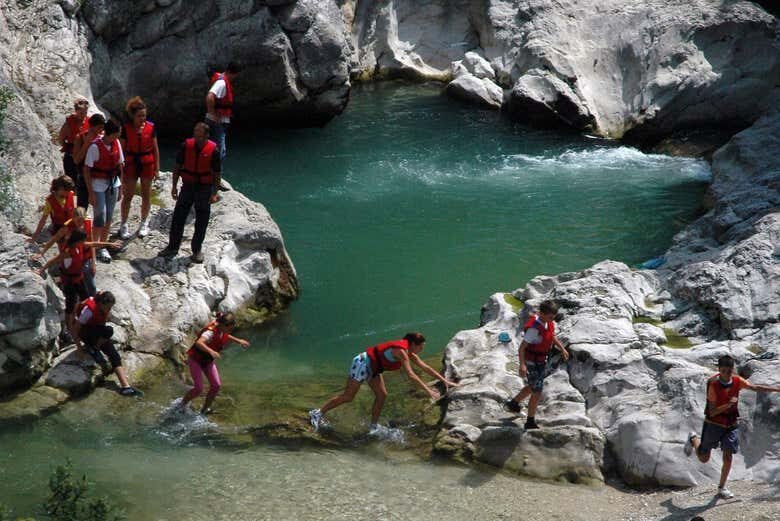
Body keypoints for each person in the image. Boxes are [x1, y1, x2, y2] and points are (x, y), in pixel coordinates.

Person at [308, 332, 459, 432]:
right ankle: (317, 413)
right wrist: (429, 391)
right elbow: (411, 375)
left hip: (373, 369)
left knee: (382, 395)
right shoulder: (401, 352)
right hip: (362, 363)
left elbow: (425, 367)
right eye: (421, 347)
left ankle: (373, 427)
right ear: (413, 344)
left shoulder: (409, 353)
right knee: (348, 397)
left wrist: (445, 381)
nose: (421, 350)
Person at [684, 355, 780, 499]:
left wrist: (777, 389)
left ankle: (721, 488)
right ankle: (693, 438)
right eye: (723, 371)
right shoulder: (713, 385)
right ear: (719, 370)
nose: (727, 374)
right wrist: (728, 404)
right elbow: (712, 412)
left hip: (730, 424)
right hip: (713, 424)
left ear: (732, 369)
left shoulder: (736, 380)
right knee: (704, 458)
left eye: (729, 371)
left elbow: (754, 387)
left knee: (728, 456)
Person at [157, 122, 221, 263]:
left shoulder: (214, 150)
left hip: (204, 188)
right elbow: (177, 166)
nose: (197, 138)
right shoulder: (186, 146)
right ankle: (172, 247)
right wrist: (174, 186)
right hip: (188, 186)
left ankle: (196, 250)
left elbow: (217, 174)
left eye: (200, 135)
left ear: (207, 136)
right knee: (178, 217)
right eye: (195, 134)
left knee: (202, 220)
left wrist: (214, 193)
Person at [37, 231, 119, 339]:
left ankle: (82, 320)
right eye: (83, 240)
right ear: (77, 240)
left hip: (79, 278)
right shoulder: (68, 251)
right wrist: (41, 269)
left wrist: (109, 244)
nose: (85, 242)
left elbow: (93, 244)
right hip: (69, 281)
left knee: (86, 299)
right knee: (70, 305)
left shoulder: (79, 245)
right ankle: (68, 328)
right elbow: (54, 260)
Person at [504, 300, 570, 429]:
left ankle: (513, 404)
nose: (552, 319)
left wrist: (562, 348)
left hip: (541, 360)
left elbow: (551, 336)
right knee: (537, 392)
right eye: (550, 317)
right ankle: (530, 422)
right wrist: (522, 365)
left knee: (532, 386)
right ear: (542, 314)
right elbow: (522, 348)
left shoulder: (548, 322)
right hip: (532, 361)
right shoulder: (534, 329)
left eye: (553, 317)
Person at [72, 291, 141, 396]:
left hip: (97, 333)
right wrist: (79, 349)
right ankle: (94, 348)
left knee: (114, 354)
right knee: (108, 330)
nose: (109, 309)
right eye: (108, 307)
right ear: (101, 304)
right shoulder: (88, 311)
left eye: (111, 307)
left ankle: (126, 387)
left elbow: (101, 323)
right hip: (85, 333)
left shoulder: (103, 308)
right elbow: (75, 329)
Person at [180, 312, 250, 414]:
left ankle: (204, 409)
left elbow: (225, 335)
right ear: (223, 326)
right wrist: (211, 351)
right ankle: (181, 405)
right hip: (196, 360)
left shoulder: (222, 329)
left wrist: (238, 341)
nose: (230, 331)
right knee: (199, 388)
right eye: (230, 329)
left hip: (207, 361)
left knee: (216, 385)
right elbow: (199, 343)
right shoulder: (210, 332)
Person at [118, 96, 159, 239]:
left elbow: (155, 149)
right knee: (128, 196)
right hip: (131, 164)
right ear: (133, 116)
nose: (143, 119)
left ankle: (143, 223)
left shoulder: (151, 127)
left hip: (147, 163)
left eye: (144, 115)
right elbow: (121, 150)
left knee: (146, 195)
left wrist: (157, 169)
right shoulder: (126, 129)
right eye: (140, 116)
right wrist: (120, 170)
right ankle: (123, 223)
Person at [83, 119, 123, 263]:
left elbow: (120, 166)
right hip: (98, 185)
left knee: (109, 216)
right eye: (117, 133)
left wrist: (121, 188)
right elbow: (87, 170)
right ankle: (94, 247)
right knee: (100, 216)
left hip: (112, 183)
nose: (118, 136)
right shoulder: (95, 147)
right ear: (111, 133)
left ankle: (103, 246)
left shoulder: (116, 143)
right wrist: (90, 193)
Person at [35, 208, 97, 296]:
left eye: (82, 220)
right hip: (72, 256)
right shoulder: (67, 227)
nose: (80, 223)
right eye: (78, 220)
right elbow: (54, 239)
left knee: (91, 285)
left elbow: (92, 243)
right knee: (72, 280)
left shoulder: (88, 223)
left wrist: (94, 262)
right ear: (73, 217)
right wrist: (42, 252)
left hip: (85, 257)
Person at [205, 61, 240, 185]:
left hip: (218, 122)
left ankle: (213, 178)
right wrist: (212, 114)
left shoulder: (221, 80)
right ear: (232, 73)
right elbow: (210, 96)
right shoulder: (221, 83)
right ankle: (214, 181)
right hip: (216, 123)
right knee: (219, 151)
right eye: (235, 75)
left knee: (215, 150)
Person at [28, 175, 76, 245]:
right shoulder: (50, 201)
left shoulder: (70, 194)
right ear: (61, 188)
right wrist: (34, 237)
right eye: (67, 191)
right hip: (59, 226)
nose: (69, 192)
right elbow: (43, 220)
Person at [72, 113, 106, 209]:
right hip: (84, 176)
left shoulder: (102, 138)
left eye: (102, 128)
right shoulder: (80, 138)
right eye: (99, 128)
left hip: (99, 176)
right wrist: (87, 144)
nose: (101, 131)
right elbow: (76, 160)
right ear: (91, 127)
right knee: (82, 206)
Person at [58, 97, 90, 180]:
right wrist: (66, 146)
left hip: (84, 156)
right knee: (71, 179)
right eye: (81, 113)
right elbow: (61, 138)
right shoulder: (69, 123)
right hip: (71, 156)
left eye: (85, 112)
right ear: (76, 111)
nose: (83, 115)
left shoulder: (90, 122)